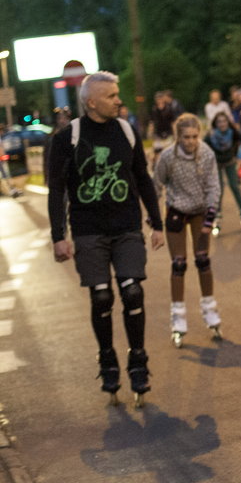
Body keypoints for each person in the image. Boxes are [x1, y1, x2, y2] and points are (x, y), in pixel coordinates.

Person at [47, 71, 164, 407]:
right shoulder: (68, 138)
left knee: (132, 290)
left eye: (118, 95)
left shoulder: (126, 131)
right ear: (91, 101)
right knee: (101, 298)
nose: (118, 100)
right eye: (112, 96)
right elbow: (57, 191)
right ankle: (107, 359)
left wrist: (155, 223)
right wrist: (59, 236)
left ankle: (138, 361)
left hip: (126, 227)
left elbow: (142, 178)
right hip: (88, 231)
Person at [154, 113, 222, 348]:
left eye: (194, 137)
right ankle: (178, 317)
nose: (191, 141)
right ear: (178, 137)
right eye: (186, 137)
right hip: (176, 209)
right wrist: (154, 219)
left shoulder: (206, 154)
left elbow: (214, 185)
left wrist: (211, 216)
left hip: (200, 209)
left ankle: (209, 308)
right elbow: (157, 184)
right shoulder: (167, 157)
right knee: (179, 264)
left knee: (203, 260)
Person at [204, 111, 241, 235]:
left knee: (235, 186)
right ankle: (217, 216)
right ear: (215, 123)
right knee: (218, 190)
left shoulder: (233, 132)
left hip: (230, 162)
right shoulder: (210, 136)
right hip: (216, 165)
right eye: (219, 122)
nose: (222, 124)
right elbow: (201, 148)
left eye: (224, 121)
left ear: (228, 122)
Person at [148, 91, 177, 169]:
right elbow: (152, 122)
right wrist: (150, 132)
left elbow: (173, 122)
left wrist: (175, 134)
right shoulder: (154, 110)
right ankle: (156, 167)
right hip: (158, 134)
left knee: (169, 151)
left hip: (168, 133)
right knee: (157, 152)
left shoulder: (169, 109)